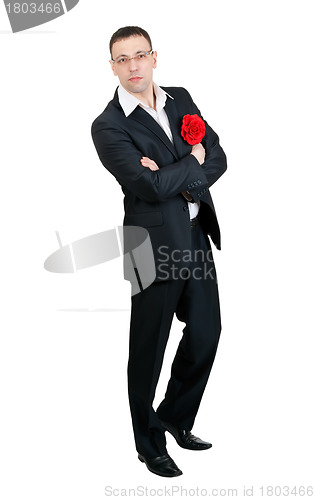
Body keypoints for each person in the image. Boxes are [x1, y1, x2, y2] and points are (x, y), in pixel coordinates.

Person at [91, 26, 227, 477]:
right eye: (122, 59)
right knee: (148, 349)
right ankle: (147, 444)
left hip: (192, 234)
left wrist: (172, 170)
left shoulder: (181, 99)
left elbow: (220, 157)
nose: (133, 66)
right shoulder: (108, 125)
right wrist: (190, 160)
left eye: (139, 55)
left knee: (206, 333)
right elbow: (146, 187)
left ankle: (173, 416)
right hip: (147, 246)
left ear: (154, 58)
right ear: (112, 66)